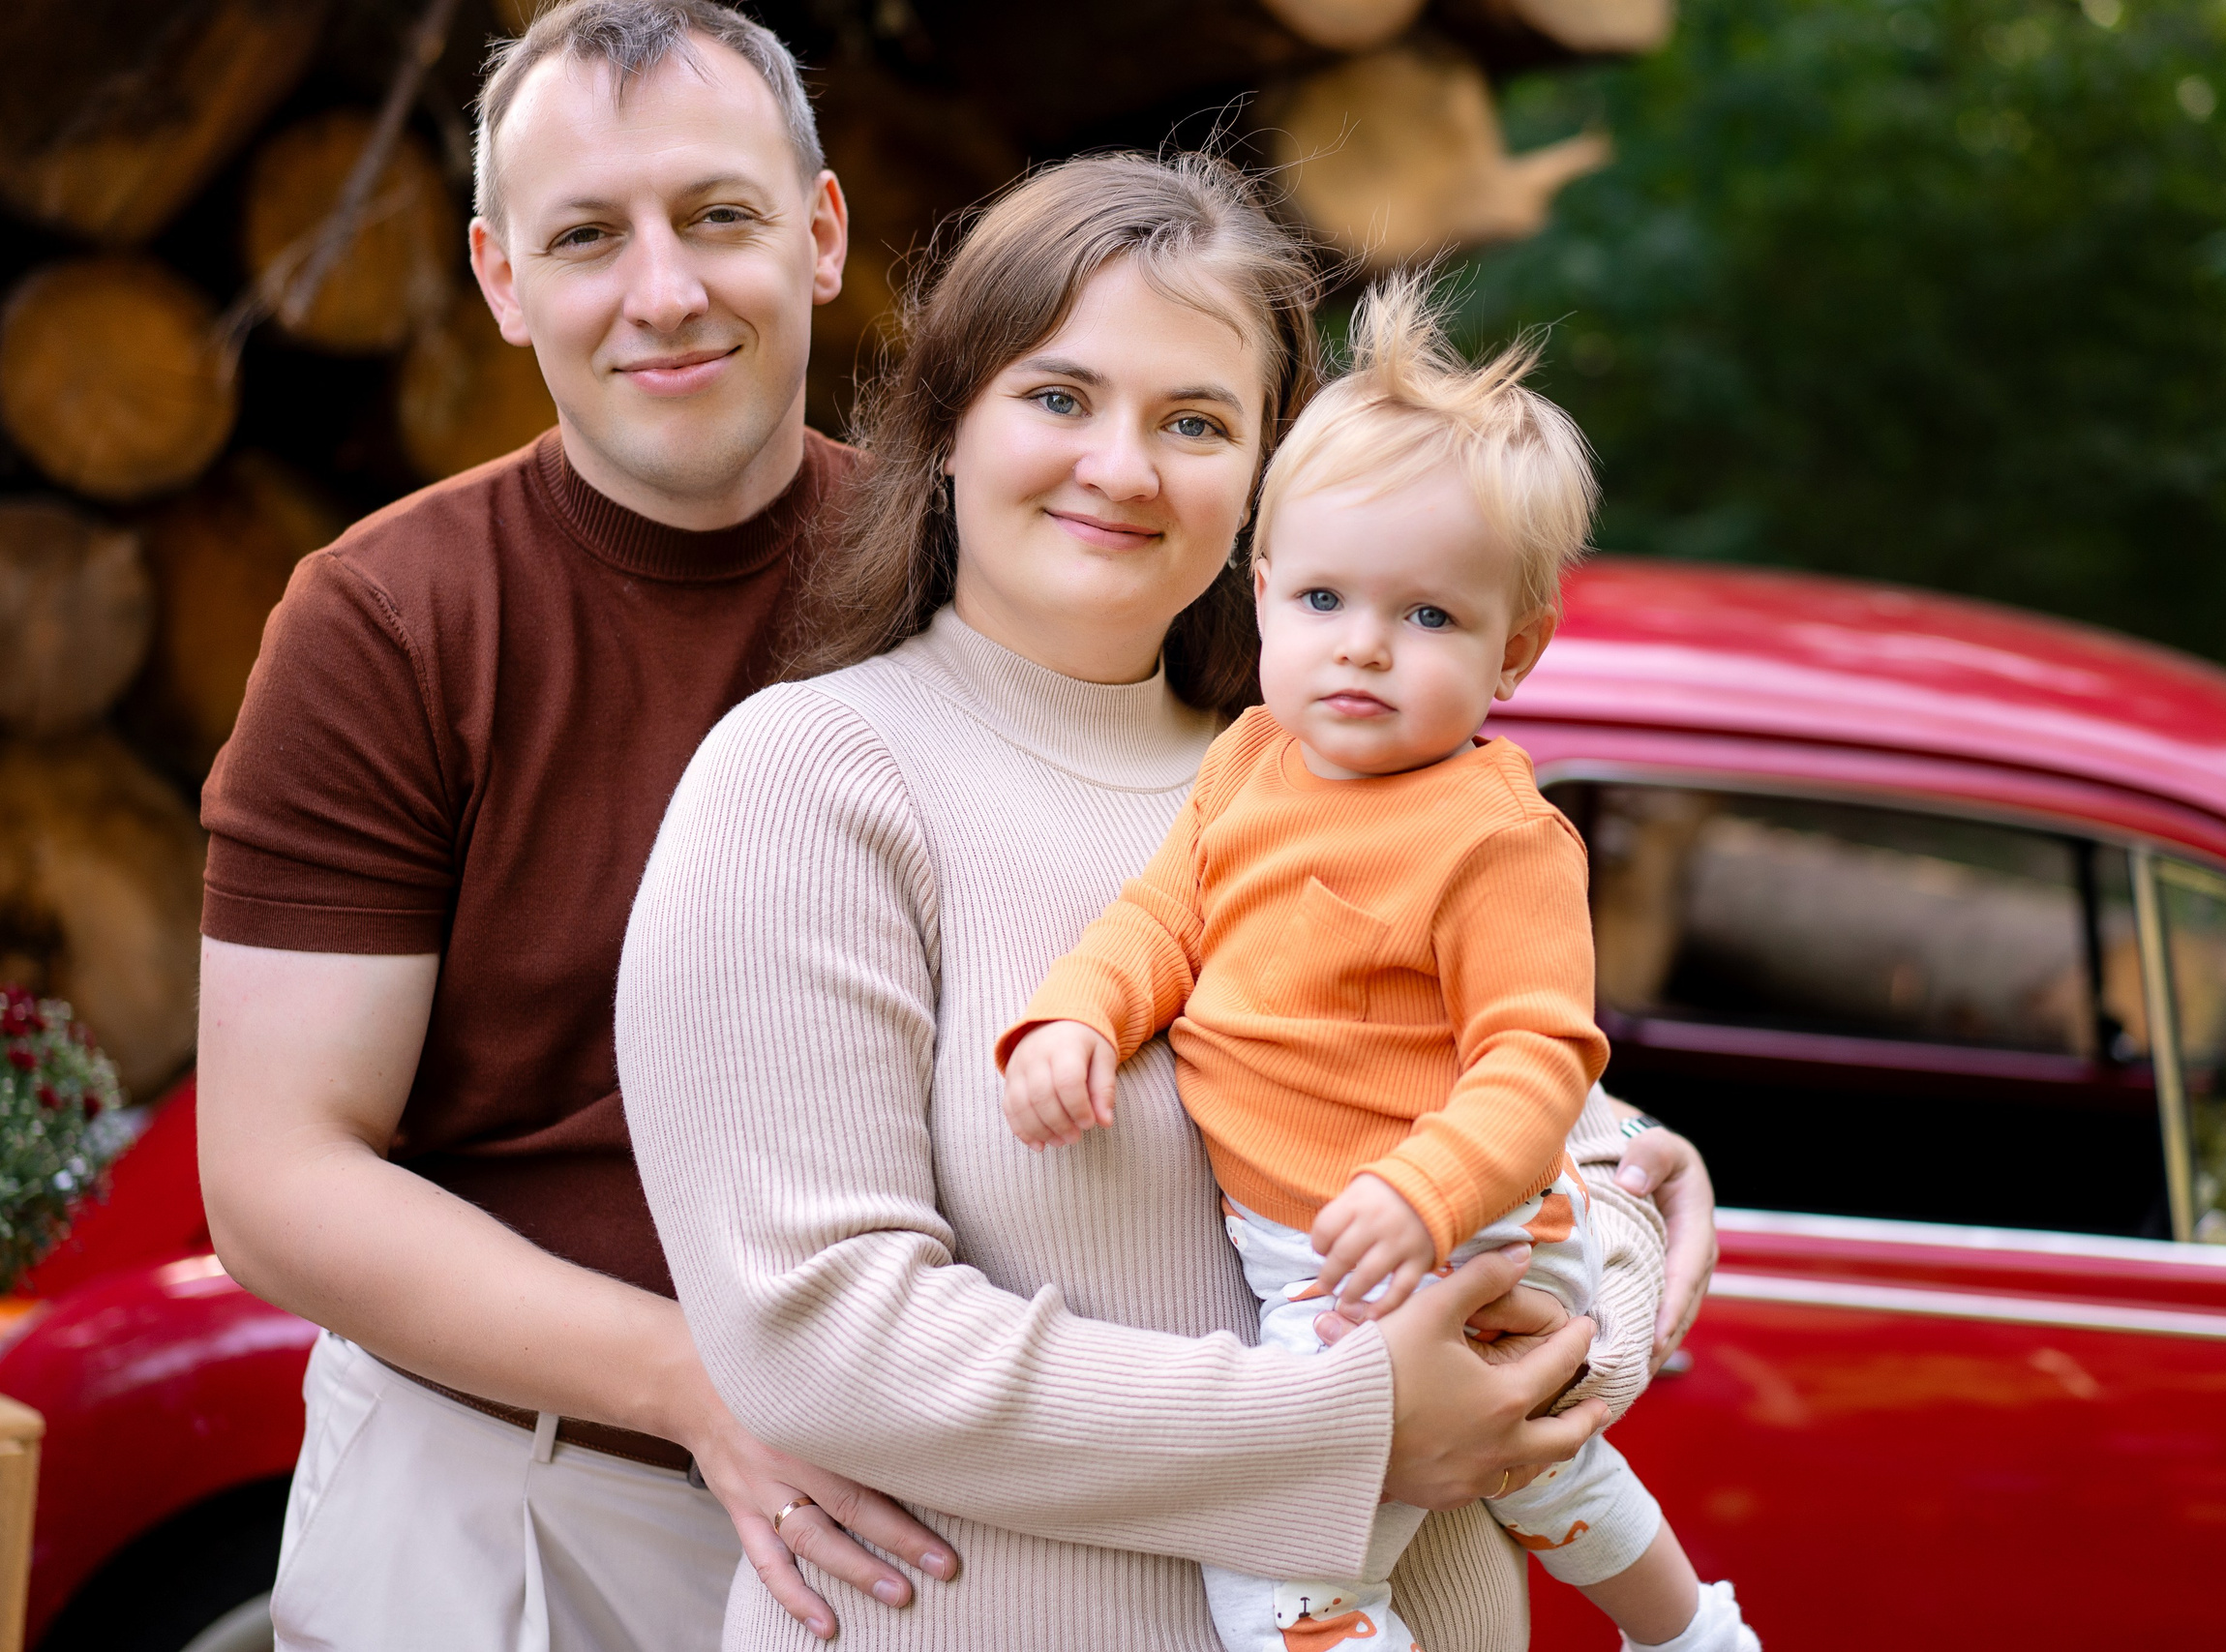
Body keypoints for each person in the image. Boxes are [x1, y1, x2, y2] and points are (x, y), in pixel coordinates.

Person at [617, 151, 1719, 1652]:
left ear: (1269, 477)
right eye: (1059, 396)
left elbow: (1486, 1102)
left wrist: (1639, 1180)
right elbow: (822, 1333)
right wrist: (1342, 1430)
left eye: (1194, 421)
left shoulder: (1316, 774)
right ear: (946, 427)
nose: (1123, 469)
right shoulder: (809, 783)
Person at [196, 4, 968, 1646]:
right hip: (498, 1507)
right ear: (500, 279)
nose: (664, 293)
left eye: (719, 217)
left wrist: (1599, 1163)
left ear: (821, 236)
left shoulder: (970, 584)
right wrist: (696, 1386)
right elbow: (274, 1177)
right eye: (588, 236)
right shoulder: (387, 623)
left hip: (926, 1516)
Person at [996, 273, 1758, 1652]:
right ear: (1266, 590)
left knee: (1280, 1572)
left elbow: (1537, 1058)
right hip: (1325, 1251)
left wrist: (1426, 1188)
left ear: (1515, 650)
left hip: (1441, 1248)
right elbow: (1157, 924)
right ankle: (1694, 1637)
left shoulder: (1497, 838)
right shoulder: (1247, 765)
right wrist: (1074, 1022)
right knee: (1549, 1476)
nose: (1363, 647)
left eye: (1429, 619)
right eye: (1330, 597)